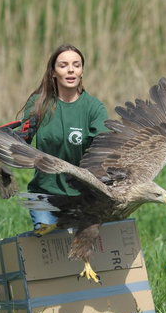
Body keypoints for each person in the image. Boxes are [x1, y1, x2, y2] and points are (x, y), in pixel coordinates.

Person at [20, 44, 108, 230]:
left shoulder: (94, 108)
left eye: (76, 65)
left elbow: (105, 151)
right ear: (53, 72)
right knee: (49, 251)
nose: (70, 70)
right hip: (43, 194)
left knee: (74, 251)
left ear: (82, 71)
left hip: (81, 197)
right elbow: (19, 142)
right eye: (63, 65)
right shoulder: (39, 104)